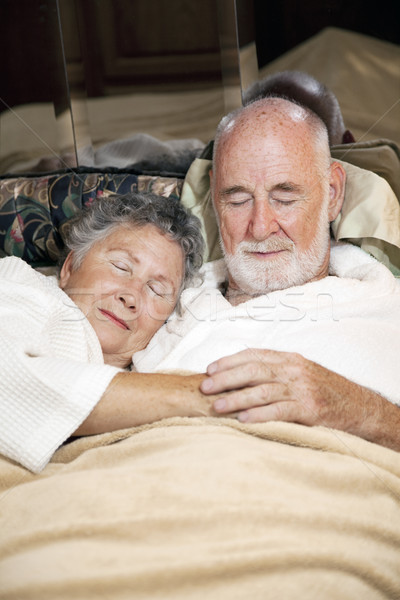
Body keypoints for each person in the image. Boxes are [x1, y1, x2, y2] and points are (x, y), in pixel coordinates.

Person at [133, 97, 400, 452]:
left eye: (285, 199)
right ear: (214, 197)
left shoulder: (385, 308)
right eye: (238, 200)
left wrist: (356, 408)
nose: (260, 228)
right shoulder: (159, 299)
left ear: (332, 194)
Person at [0, 192, 220, 473]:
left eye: (157, 289)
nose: (131, 296)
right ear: (70, 267)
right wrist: (197, 396)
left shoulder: (158, 364)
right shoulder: (18, 282)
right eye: (120, 266)